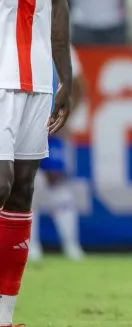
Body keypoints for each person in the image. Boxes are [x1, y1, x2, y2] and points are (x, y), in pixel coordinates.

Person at [0, 0, 74, 327]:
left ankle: (4, 315)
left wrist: (63, 72)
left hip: (34, 75)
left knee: (23, 187)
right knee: (0, 182)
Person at [30, 45, 87, 262]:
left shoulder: (62, 46)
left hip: (51, 125)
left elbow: (80, 86)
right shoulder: (13, 37)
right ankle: (30, 246)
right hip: (24, 123)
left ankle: (71, 245)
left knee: (57, 180)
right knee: (26, 183)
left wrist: (67, 117)